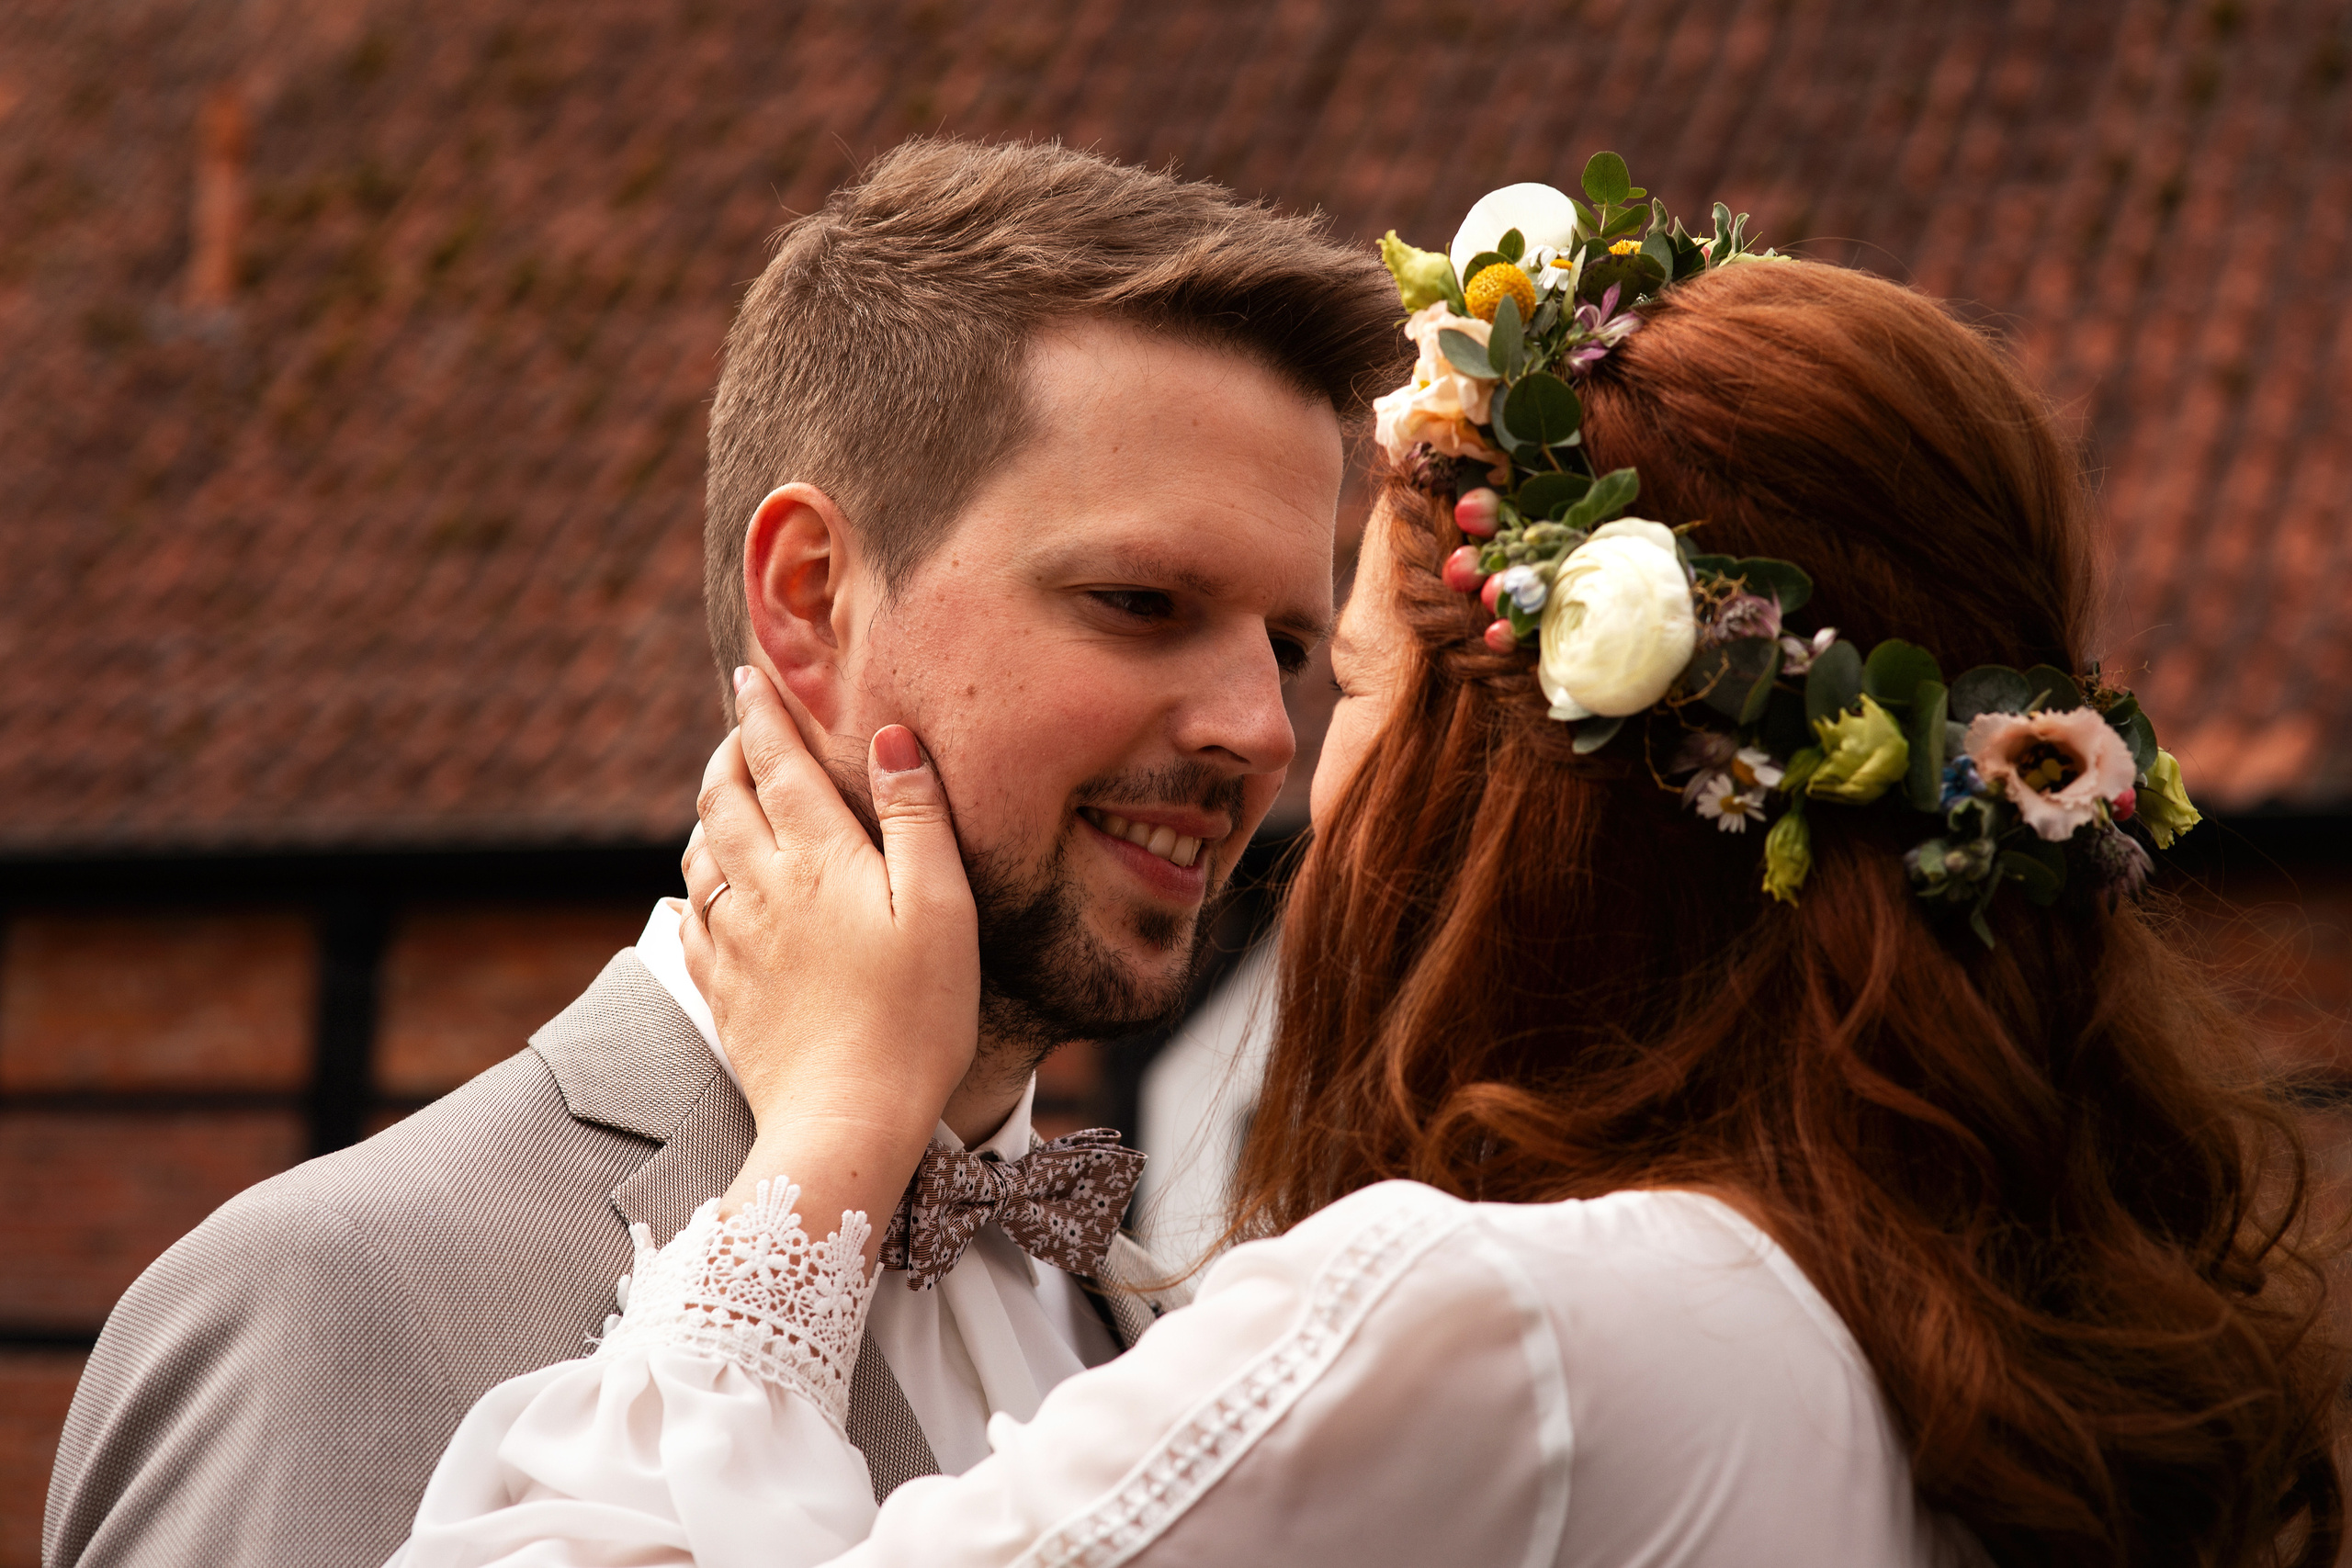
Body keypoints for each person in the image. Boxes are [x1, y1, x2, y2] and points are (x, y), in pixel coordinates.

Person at [390, 176, 2342, 1568]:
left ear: (1523, 787)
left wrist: (824, 1134)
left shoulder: (1482, 1322)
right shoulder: (1901, 1349)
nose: (1270, 741)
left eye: (1334, 668)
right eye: (1145, 604)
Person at [42, 138, 1399, 1568]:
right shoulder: (329, 1301)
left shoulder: (1153, 1342)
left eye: (1287, 648)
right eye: (1141, 601)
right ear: (810, 599)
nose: (1261, 730)